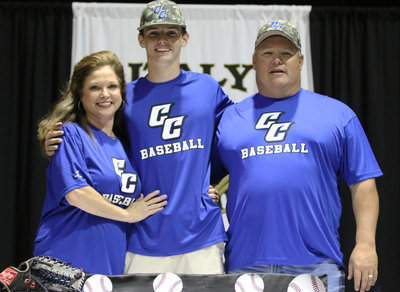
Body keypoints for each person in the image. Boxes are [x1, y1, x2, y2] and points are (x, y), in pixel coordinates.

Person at [42, 0, 232, 274]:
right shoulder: (126, 97)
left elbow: (235, 137)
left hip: (201, 235)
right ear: (141, 39)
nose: (162, 40)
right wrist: (52, 142)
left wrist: (211, 183)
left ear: (185, 38)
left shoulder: (207, 88)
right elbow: (95, 136)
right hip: (141, 236)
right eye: (154, 33)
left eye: (171, 33)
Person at [213, 20, 381, 292]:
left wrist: (365, 245)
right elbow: (204, 179)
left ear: (301, 60)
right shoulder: (229, 119)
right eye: (267, 53)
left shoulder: (337, 115)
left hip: (315, 264)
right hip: (245, 267)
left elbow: (363, 184)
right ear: (254, 61)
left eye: (286, 53)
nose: (277, 60)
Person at [34, 51, 167, 275]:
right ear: (80, 94)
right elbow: (76, 194)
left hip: (108, 270)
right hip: (65, 265)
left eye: (112, 87)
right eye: (95, 87)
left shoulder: (126, 148)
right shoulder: (69, 135)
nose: (105, 95)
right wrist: (127, 215)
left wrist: (205, 190)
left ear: (122, 93)